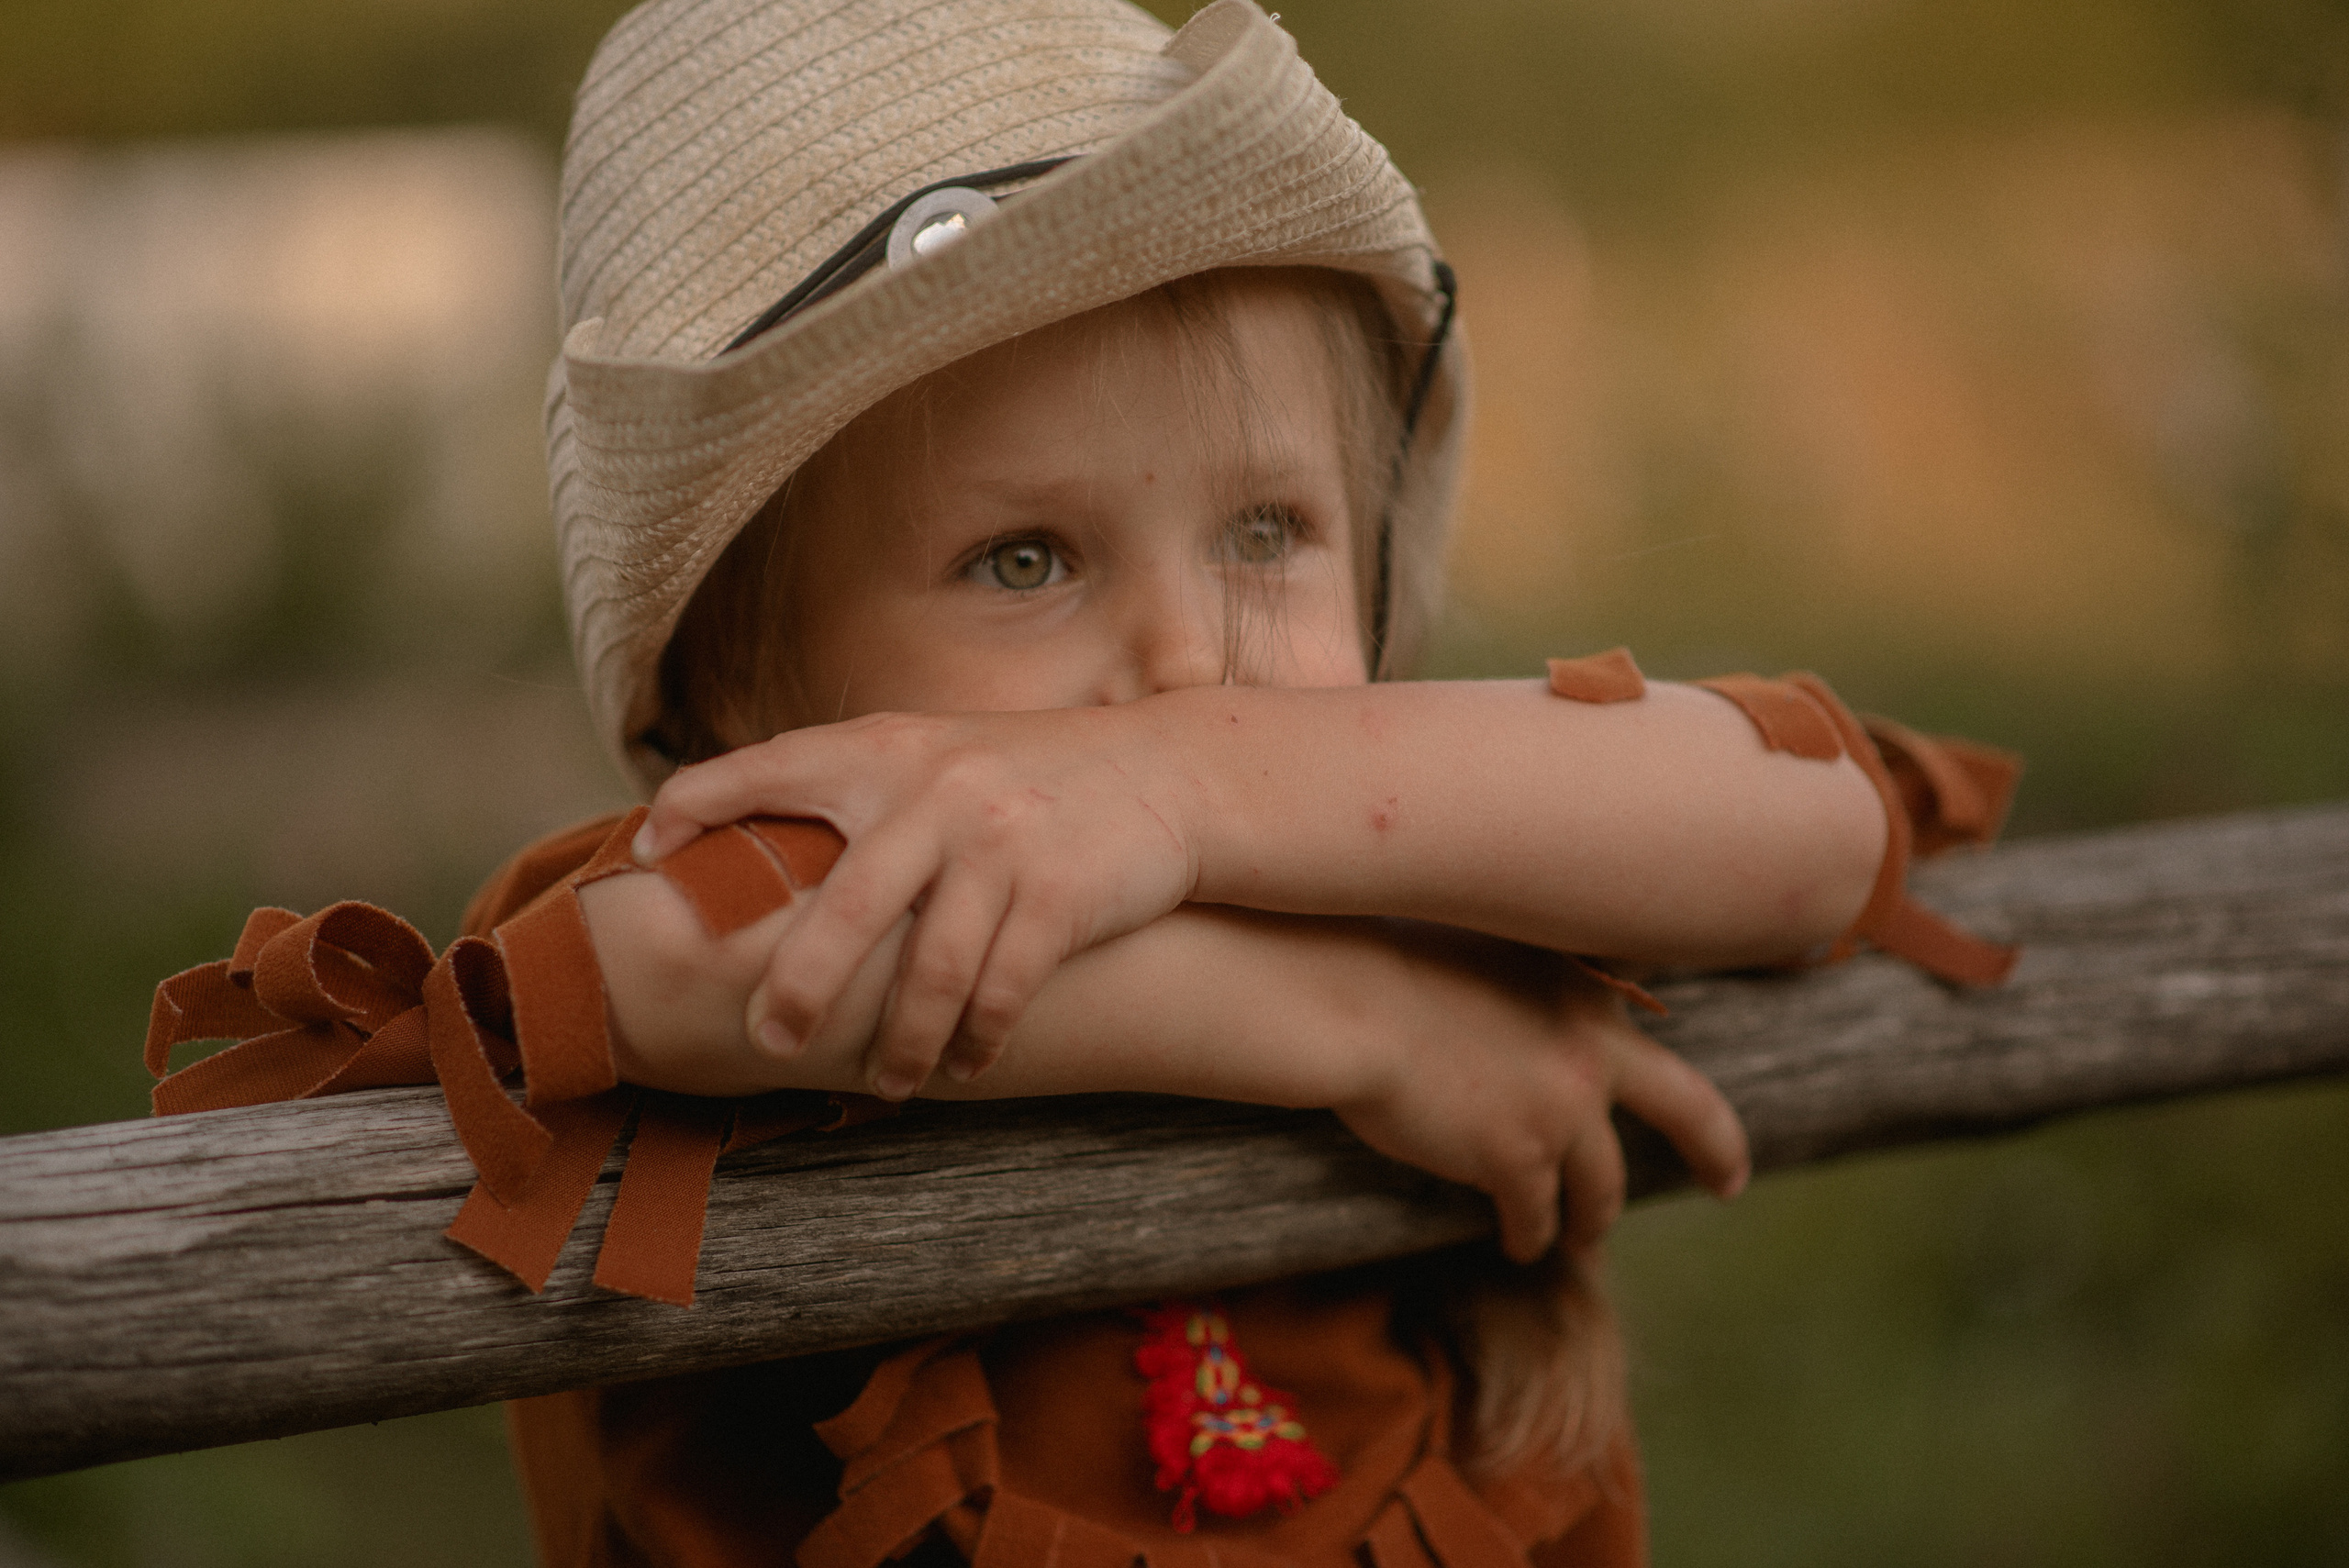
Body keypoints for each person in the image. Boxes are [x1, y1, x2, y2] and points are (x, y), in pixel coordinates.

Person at [143, 1, 2021, 1562]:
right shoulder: (713, 884)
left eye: (1268, 529)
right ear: (746, 689)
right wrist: (1367, 1029)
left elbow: (1817, 826)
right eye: (1021, 561)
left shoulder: (1433, 828)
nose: (1184, 669)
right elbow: (682, 968)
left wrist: (1180, 795)